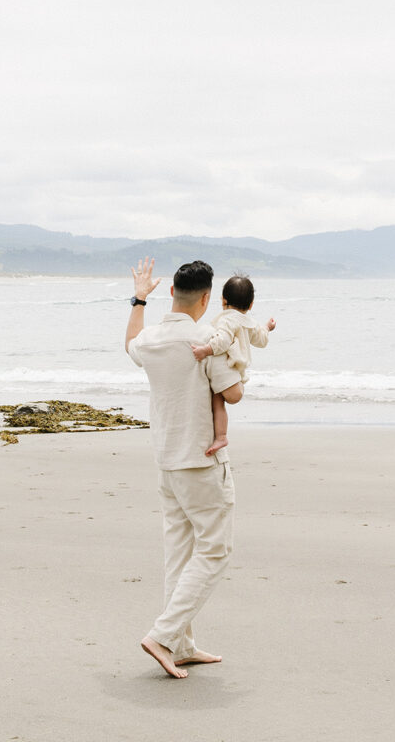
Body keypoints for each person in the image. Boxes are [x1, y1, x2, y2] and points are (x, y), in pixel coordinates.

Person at [126, 257, 243, 679]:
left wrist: (139, 298)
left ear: (171, 292)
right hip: (201, 461)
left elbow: (130, 344)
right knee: (214, 550)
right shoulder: (207, 337)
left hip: (167, 462)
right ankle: (163, 635)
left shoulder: (152, 339)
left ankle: (180, 645)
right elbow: (232, 394)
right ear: (208, 298)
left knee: (179, 555)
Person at [190, 275, 276, 456]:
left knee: (218, 400)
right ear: (251, 305)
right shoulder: (249, 323)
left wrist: (205, 350)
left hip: (228, 372)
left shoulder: (226, 320)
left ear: (223, 300)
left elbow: (222, 341)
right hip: (238, 375)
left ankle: (221, 436)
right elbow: (261, 340)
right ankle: (221, 436)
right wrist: (267, 328)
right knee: (217, 399)